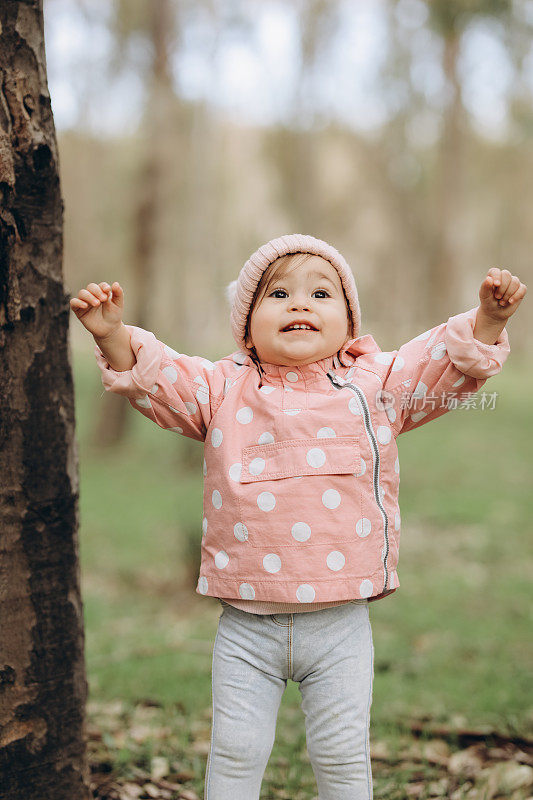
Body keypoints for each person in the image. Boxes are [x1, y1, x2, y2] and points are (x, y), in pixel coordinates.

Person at [70, 233, 526, 800]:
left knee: (340, 755)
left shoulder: (376, 385)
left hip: (340, 625)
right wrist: (114, 334)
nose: (300, 304)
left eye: (320, 294)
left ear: (348, 319)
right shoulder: (223, 389)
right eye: (278, 293)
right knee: (236, 754)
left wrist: (486, 319)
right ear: (247, 323)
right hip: (246, 625)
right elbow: (160, 378)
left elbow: (436, 361)